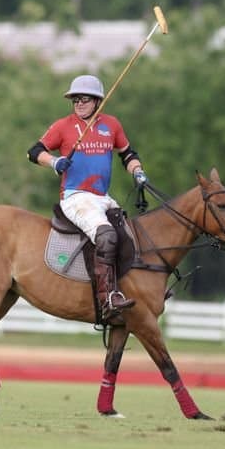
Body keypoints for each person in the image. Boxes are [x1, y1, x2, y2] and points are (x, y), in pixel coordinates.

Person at [28, 73, 149, 324]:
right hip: (75, 197)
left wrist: (137, 171)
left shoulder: (111, 125)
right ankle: (107, 299)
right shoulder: (63, 126)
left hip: (102, 197)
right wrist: (54, 162)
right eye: (75, 99)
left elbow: (127, 154)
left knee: (131, 235)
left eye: (84, 99)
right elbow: (34, 151)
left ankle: (139, 289)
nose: (79, 103)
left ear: (98, 101)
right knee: (106, 235)